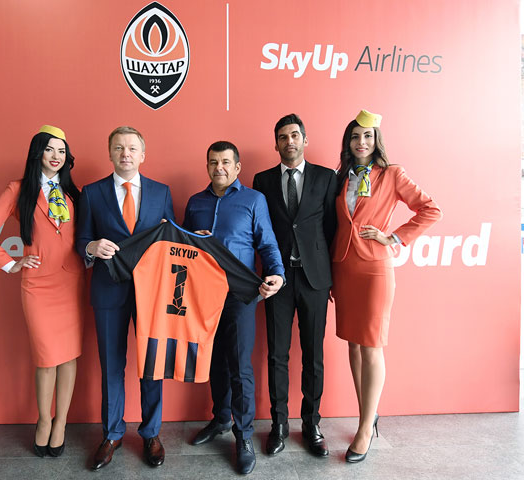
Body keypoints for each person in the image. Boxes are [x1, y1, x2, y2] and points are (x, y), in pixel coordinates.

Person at [331, 110, 441, 463]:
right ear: (348, 142)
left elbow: (430, 209)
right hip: (344, 268)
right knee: (353, 344)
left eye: (367, 136)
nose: (361, 142)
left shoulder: (392, 174)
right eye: (355, 136)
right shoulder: (341, 176)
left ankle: (365, 428)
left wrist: (393, 237)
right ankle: (368, 412)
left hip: (374, 269)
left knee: (372, 345)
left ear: (377, 140)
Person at [0, 125, 84, 459]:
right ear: (38, 153)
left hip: (72, 281)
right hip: (39, 285)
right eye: (49, 149)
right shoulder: (19, 189)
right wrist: (10, 264)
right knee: (46, 357)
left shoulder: (74, 192)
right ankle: (44, 420)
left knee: (69, 356)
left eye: (61, 151)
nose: (56, 156)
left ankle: (62, 422)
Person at [75, 126, 175, 470]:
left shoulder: (162, 192)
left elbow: (172, 241)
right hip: (108, 290)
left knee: (152, 364)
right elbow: (81, 239)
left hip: (152, 293)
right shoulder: (91, 193)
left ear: (143, 154)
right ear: (110, 153)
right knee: (111, 365)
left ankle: (151, 433)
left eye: (132, 148)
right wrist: (92, 246)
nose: (125, 153)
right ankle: (112, 433)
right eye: (119, 148)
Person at [185, 141, 284, 475]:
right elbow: (182, 247)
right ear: (207, 166)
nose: (219, 168)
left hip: (241, 295)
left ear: (237, 167)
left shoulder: (254, 200)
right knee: (214, 362)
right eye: (213, 162)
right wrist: (192, 239)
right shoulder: (195, 202)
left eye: (226, 162)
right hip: (203, 296)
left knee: (240, 367)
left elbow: (267, 243)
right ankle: (221, 418)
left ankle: (243, 437)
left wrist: (277, 274)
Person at [252, 114, 337, 457]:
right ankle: (279, 424)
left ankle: (312, 424)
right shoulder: (262, 180)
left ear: (304, 139)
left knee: (313, 355)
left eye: (294, 135)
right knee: (277, 354)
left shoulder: (326, 177)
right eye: (283, 137)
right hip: (278, 280)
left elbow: (331, 228)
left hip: (315, 279)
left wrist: (331, 276)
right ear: (276, 144)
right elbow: (260, 230)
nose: (289, 141)